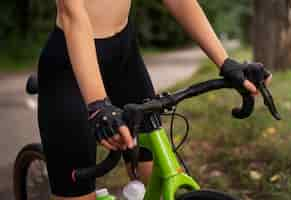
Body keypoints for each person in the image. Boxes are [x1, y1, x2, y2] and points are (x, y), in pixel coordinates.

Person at [37, 0, 272, 200]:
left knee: (158, 171)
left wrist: (225, 63)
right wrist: (98, 105)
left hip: (124, 55)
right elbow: (72, 15)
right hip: (70, 66)